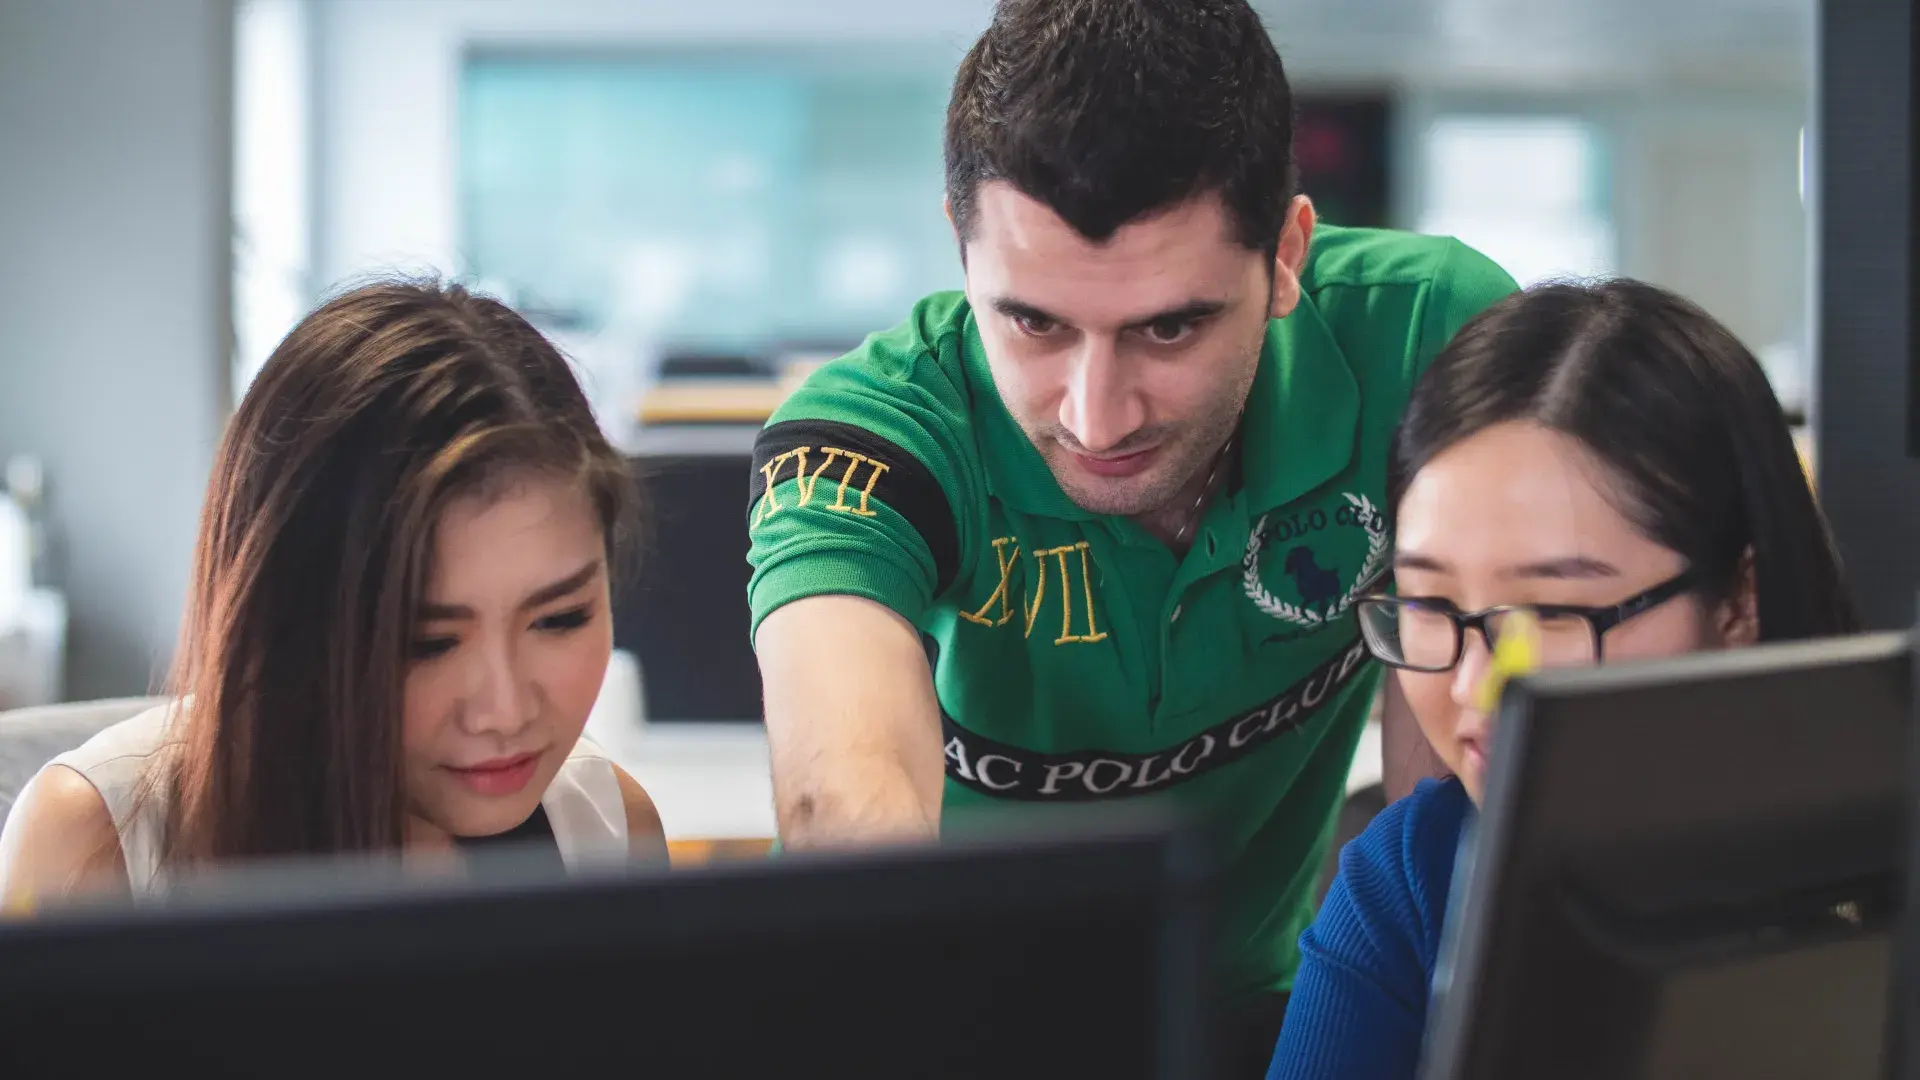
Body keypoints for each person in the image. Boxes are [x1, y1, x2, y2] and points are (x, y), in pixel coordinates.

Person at [747, 0, 1515, 1066]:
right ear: (960, 250)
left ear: (1287, 253)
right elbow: (846, 803)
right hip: (926, 1021)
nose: (1094, 417)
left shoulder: (1430, 335)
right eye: (1033, 323)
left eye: (1170, 326)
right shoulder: (867, 437)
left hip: (1261, 1011)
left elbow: (1447, 793)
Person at [1265, 279, 1862, 1079]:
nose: (1478, 687)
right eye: (1431, 601)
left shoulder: (1874, 864)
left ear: (1738, 601)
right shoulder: (1418, 874)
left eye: (1548, 612)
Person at [0, 281, 666, 906]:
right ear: (287, 624)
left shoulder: (606, 834)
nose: (504, 709)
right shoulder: (99, 848)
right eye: (427, 643)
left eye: (559, 619)